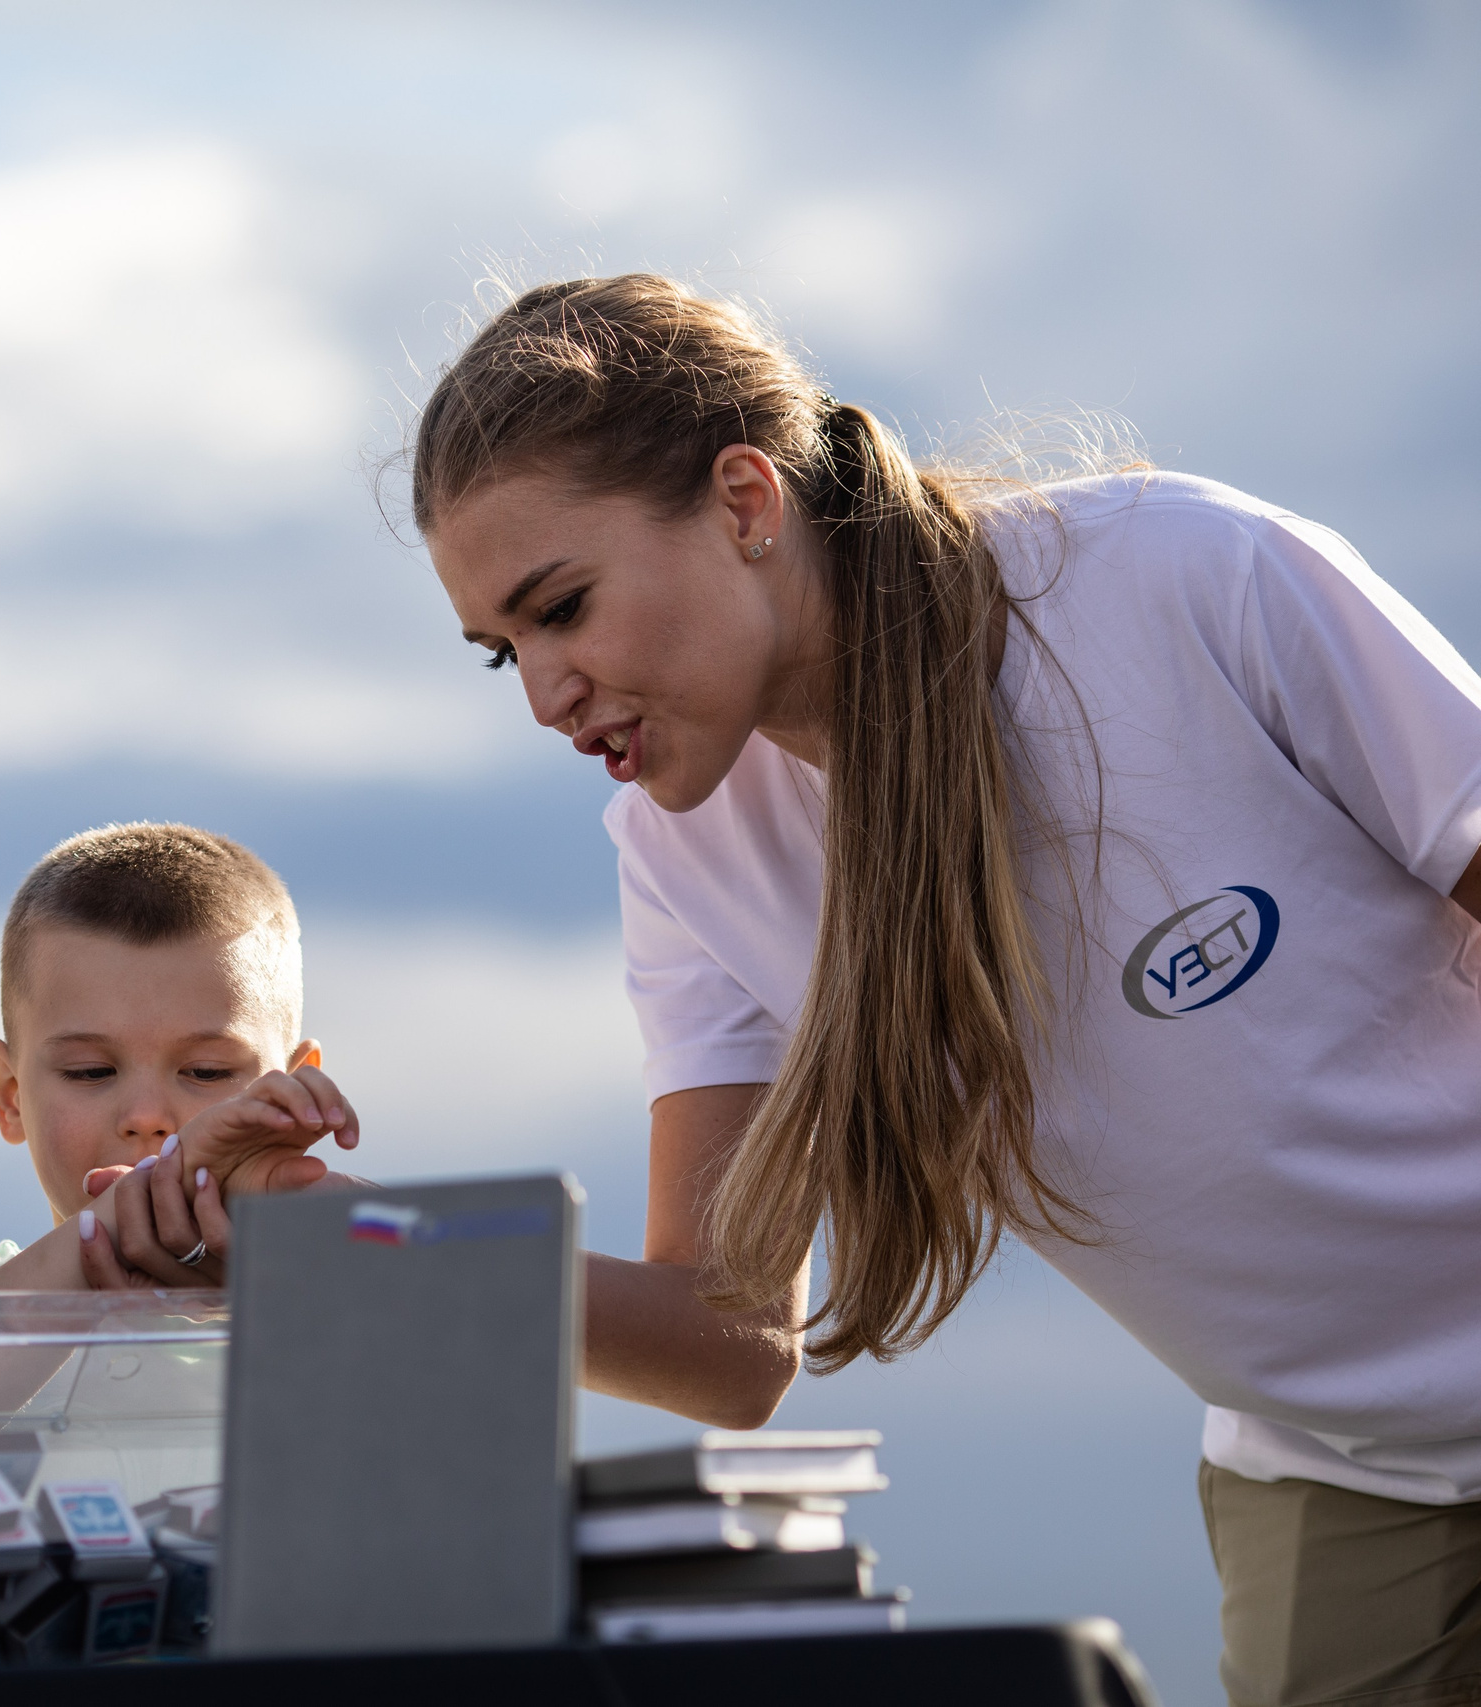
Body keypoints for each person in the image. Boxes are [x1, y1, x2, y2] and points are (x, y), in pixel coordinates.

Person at [413, 272, 1481, 1707]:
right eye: (505, 650)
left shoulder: (1185, 574)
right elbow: (727, 1342)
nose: (545, 690)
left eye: (562, 607)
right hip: (1345, 1480)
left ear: (744, 501)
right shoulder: (677, 859)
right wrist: (324, 1247)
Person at [0, 822, 357, 1294]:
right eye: (90, 1072)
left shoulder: (327, 1292)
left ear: (295, 1093)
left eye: (206, 1072)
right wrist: (112, 1225)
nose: (145, 1117)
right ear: (11, 1096)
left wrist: (377, 1246)